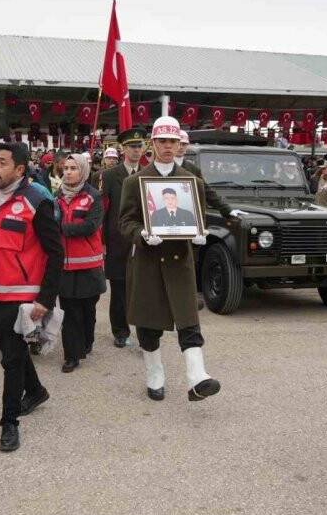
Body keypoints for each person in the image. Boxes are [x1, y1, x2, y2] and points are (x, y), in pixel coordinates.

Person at [119, 116, 220, 402]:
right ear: (153, 143)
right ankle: (155, 375)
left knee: (189, 322)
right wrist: (141, 234)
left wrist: (200, 235)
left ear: (179, 145)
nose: (167, 146)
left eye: (172, 141)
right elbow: (125, 222)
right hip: (149, 262)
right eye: (162, 141)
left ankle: (198, 377)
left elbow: (196, 218)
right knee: (149, 324)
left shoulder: (192, 182)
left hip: (179, 262)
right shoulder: (134, 181)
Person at [0, 142, 63, 452]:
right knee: (14, 352)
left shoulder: (37, 201)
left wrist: (45, 300)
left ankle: (9, 422)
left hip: (21, 297)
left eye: (2, 163)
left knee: (10, 359)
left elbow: (56, 253)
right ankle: (36, 390)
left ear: (20, 170)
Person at [57, 153, 106, 373]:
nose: (67, 172)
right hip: (65, 266)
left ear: (83, 171)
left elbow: (90, 226)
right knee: (69, 311)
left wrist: (61, 229)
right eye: (65, 168)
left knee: (87, 309)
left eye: (73, 168)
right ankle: (71, 355)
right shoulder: (56, 196)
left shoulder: (93, 196)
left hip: (88, 266)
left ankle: (87, 342)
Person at [101, 128, 145, 348]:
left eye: (139, 146)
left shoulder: (148, 173)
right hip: (117, 240)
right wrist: (101, 242)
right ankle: (120, 331)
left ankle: (144, 332)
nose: (136, 150)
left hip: (143, 240)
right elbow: (103, 210)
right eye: (131, 146)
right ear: (122, 149)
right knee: (118, 289)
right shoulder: (109, 175)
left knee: (142, 289)